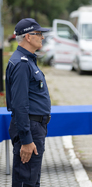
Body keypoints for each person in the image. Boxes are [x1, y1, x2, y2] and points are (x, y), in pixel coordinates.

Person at [6, 18, 51, 186]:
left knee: (31, 179)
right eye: (39, 34)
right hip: (30, 127)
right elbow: (20, 104)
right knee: (26, 181)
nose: (42, 37)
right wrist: (26, 140)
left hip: (34, 126)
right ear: (28, 37)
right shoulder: (22, 64)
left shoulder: (27, 60)